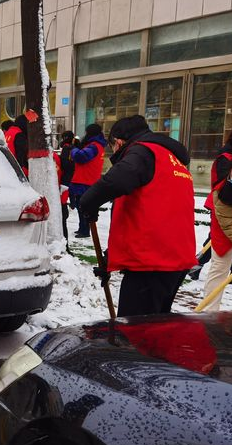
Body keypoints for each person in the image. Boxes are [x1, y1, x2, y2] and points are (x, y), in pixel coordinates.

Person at [80, 115, 195, 317]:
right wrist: (111, 257)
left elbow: (116, 182)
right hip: (173, 258)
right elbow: (151, 214)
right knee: (156, 326)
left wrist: (88, 202)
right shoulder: (171, 158)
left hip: (153, 264)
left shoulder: (142, 152)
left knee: (136, 334)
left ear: (118, 142)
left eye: (112, 147)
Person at [191, 126, 232, 281]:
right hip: (222, 205)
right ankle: (196, 264)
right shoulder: (226, 157)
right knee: (216, 241)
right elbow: (223, 186)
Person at [203, 155, 232, 309]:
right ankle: (210, 311)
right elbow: (229, 225)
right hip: (224, 230)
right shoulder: (221, 191)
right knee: (220, 268)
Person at [69, 124, 106, 238]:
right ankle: (83, 228)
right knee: (83, 208)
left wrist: (74, 149)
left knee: (83, 208)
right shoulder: (98, 146)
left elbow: (81, 157)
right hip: (90, 180)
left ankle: (84, 231)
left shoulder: (94, 146)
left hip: (85, 181)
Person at [58, 130, 76, 245]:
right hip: (69, 183)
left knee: (62, 218)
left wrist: (64, 184)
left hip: (64, 185)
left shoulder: (66, 149)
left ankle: (65, 244)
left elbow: (67, 167)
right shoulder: (73, 148)